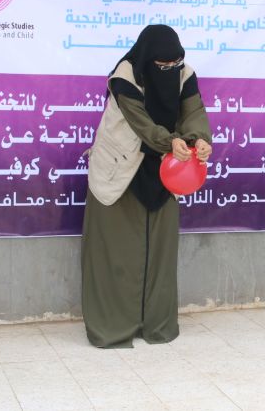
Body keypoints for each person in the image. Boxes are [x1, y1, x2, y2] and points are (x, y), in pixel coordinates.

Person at [81, 25, 213, 348]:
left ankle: (156, 325)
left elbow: (193, 112)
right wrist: (172, 142)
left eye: (174, 65)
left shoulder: (185, 74)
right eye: (162, 66)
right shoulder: (125, 75)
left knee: (160, 253)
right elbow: (141, 123)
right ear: (147, 60)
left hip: (164, 172)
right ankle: (114, 327)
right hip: (119, 172)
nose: (169, 71)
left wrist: (199, 141)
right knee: (118, 254)